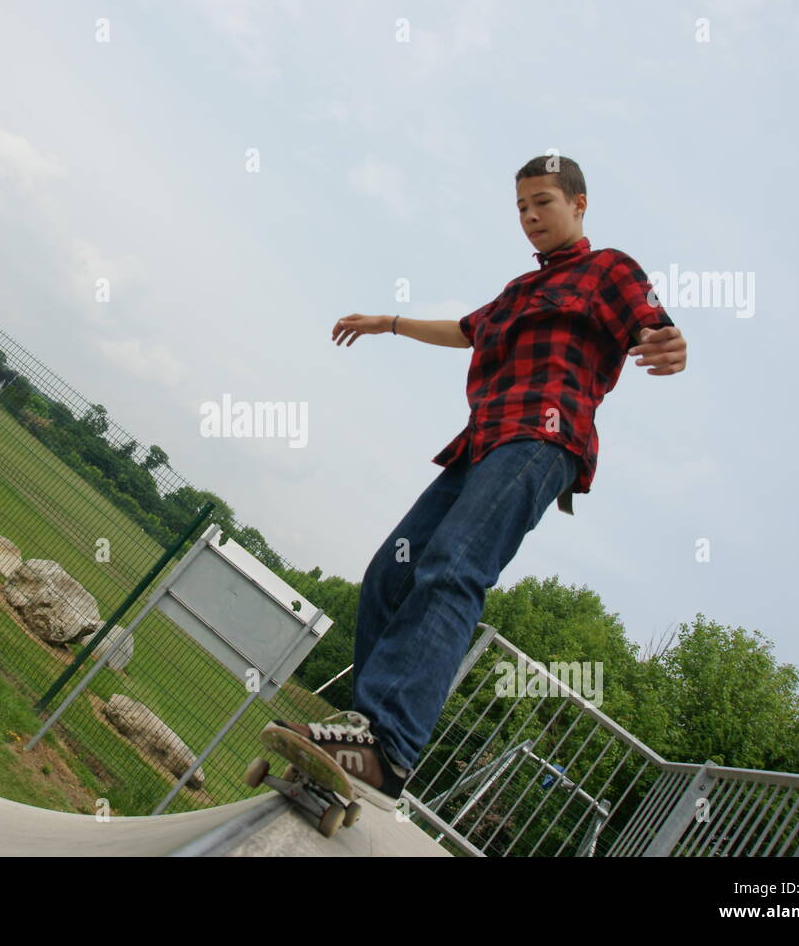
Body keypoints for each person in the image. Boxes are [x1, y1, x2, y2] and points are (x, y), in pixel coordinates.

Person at [263, 155, 687, 810]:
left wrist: (667, 342)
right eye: (520, 208)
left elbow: (651, 322)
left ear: (579, 205)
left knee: (453, 567)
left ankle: (391, 747)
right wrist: (390, 322)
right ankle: (363, 741)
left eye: (543, 202)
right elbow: (467, 330)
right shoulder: (520, 290)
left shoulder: (610, 269)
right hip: (478, 446)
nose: (530, 217)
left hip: (543, 441)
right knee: (390, 575)